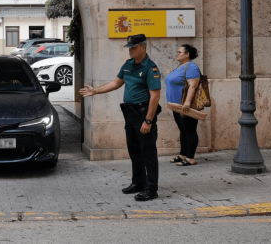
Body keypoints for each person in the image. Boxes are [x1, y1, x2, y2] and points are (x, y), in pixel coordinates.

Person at [79, 34, 162, 201]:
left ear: (143, 48)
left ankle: (151, 188)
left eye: (133, 47)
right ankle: (138, 182)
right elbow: (116, 83)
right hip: (130, 115)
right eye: (129, 47)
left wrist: (148, 121)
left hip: (143, 114)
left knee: (148, 152)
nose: (130, 50)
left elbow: (155, 97)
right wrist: (96, 90)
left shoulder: (150, 68)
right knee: (134, 150)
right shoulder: (128, 65)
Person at [165, 44, 201, 167]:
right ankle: (183, 155)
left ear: (187, 54)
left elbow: (193, 85)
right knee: (183, 130)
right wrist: (171, 73)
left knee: (190, 130)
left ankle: (190, 158)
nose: (177, 54)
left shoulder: (191, 67)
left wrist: (187, 103)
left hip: (185, 105)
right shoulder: (180, 66)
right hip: (176, 105)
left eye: (180, 52)